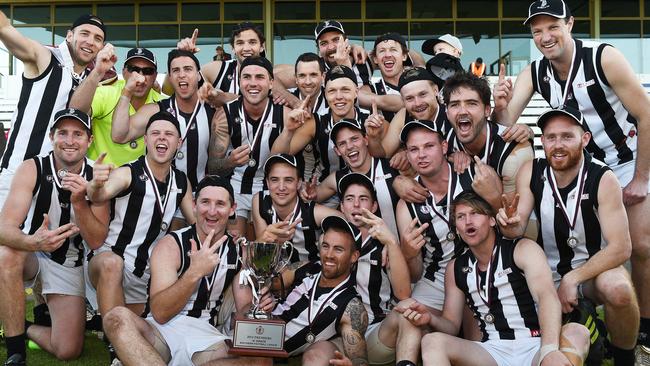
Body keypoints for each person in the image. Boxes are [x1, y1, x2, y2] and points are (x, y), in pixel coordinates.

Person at [493, 2, 650, 355]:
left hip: (623, 159)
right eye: (537, 31)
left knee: (640, 246)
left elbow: (645, 113)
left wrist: (641, 178)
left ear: (570, 24)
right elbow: (504, 122)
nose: (545, 36)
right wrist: (499, 104)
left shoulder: (602, 57)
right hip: (576, 162)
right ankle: (585, 309)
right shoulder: (534, 72)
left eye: (553, 27)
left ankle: (644, 336)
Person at [497, 106, 640, 365]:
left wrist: (573, 278)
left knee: (619, 289)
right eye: (551, 137)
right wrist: (508, 225)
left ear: (584, 139)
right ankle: (585, 333)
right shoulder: (532, 171)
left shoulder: (602, 177)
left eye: (566, 136)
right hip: (545, 273)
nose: (558, 145)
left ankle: (624, 358)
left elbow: (621, 248)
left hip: (591, 271)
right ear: (543, 141)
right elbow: (516, 229)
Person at [399, 191, 591, 366]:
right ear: (456, 228)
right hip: (492, 350)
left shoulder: (522, 249)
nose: (468, 221)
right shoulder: (455, 268)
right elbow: (451, 325)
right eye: (460, 217)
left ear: (492, 220)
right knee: (432, 341)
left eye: (475, 213)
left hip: (535, 344)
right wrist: (429, 318)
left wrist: (548, 350)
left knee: (577, 332)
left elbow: (547, 298)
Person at [102, 176, 270, 366]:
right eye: (205, 202)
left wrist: (258, 308)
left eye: (220, 204)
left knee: (261, 361)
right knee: (115, 318)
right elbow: (160, 313)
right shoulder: (171, 244)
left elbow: (244, 306)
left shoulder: (240, 252)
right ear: (194, 205)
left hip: (205, 336)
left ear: (232, 209)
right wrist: (194, 272)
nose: (212, 211)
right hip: (160, 332)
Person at [0, 108, 109, 364]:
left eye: (78, 134)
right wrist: (33, 242)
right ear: (52, 136)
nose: (70, 140)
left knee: (68, 349)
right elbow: (4, 229)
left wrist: (80, 202)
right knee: (7, 254)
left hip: (70, 261)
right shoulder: (32, 167)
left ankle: (17, 324)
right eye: (63, 133)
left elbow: (96, 240)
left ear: (90, 140)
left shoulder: (98, 176)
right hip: (34, 253)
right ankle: (16, 353)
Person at [86, 111, 194, 319]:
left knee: (151, 328)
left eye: (168, 134)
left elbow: (197, 223)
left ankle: (102, 317)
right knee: (112, 264)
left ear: (179, 142)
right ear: (145, 139)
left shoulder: (181, 182)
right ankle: (114, 344)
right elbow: (100, 194)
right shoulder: (128, 172)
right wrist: (95, 184)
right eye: (155, 133)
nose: (162, 138)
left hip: (146, 272)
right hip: (109, 261)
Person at [0, 12, 107, 209]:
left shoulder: (90, 80)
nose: (90, 41)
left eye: (97, 38)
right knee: (8, 238)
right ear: (69, 35)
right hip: (16, 174)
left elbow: (78, 111)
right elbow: (5, 28)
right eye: (85, 33)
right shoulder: (45, 57)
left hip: (58, 182)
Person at [336, 173, 419, 365]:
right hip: (335, 334)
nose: (356, 205)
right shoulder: (329, 238)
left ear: (374, 206)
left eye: (363, 199)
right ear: (341, 207)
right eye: (349, 199)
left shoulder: (385, 244)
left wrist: (391, 242)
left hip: (373, 331)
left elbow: (404, 293)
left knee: (409, 308)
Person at [208, 56, 295, 237]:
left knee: (267, 248)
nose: (252, 83)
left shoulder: (285, 114)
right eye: (246, 77)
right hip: (235, 187)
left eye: (259, 77)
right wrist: (229, 162)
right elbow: (212, 166)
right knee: (236, 245)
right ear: (239, 82)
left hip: (270, 188)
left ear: (271, 83)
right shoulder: (224, 115)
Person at [394, 119, 474, 314]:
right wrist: (409, 254)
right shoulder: (406, 204)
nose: (421, 155)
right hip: (437, 279)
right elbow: (415, 275)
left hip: (481, 269)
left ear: (444, 146)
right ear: (407, 155)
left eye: (429, 146)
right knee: (408, 317)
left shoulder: (473, 177)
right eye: (413, 150)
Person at [112, 49, 217, 193]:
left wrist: (220, 97)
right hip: (159, 195)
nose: (182, 75)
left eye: (188, 69)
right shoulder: (156, 109)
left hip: (199, 195)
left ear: (199, 75)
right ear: (170, 77)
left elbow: (243, 103)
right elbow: (119, 135)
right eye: (175, 70)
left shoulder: (213, 109)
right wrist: (127, 92)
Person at [271, 215, 369, 365]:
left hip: (271, 351)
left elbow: (360, 361)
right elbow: (265, 282)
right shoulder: (304, 267)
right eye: (325, 246)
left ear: (354, 257)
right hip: (258, 332)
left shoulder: (351, 306)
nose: (329, 255)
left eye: (338, 249)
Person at [272, 65, 371, 185]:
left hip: (365, 188)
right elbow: (277, 157)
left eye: (345, 90)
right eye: (332, 91)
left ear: (356, 92)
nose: (338, 97)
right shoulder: (316, 121)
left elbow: (386, 154)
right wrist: (288, 130)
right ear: (325, 94)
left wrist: (376, 136)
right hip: (324, 190)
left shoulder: (370, 119)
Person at [303, 118, 401, 236]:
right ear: (337, 151)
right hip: (363, 252)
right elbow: (315, 194)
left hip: (399, 249)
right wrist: (305, 190)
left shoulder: (393, 166)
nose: (349, 146)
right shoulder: (337, 179)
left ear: (366, 140)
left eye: (354, 139)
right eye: (342, 143)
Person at [70, 47, 162, 167]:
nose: (141, 76)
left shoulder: (163, 102)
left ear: (155, 76)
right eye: (134, 69)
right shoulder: (106, 93)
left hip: (141, 180)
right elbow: (75, 113)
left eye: (148, 71)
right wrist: (97, 72)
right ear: (124, 72)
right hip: (100, 175)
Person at [252, 153, 342, 263]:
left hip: (309, 273)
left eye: (288, 180)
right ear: (267, 182)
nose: (281, 187)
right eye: (274, 180)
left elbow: (351, 228)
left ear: (299, 183)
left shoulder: (314, 212)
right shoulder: (260, 200)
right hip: (274, 271)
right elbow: (261, 260)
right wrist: (269, 239)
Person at [358, 33, 411, 122]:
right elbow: (356, 96)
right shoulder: (372, 89)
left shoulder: (418, 79)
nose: (387, 55)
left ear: (404, 56)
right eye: (382, 51)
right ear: (375, 59)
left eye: (393, 50)